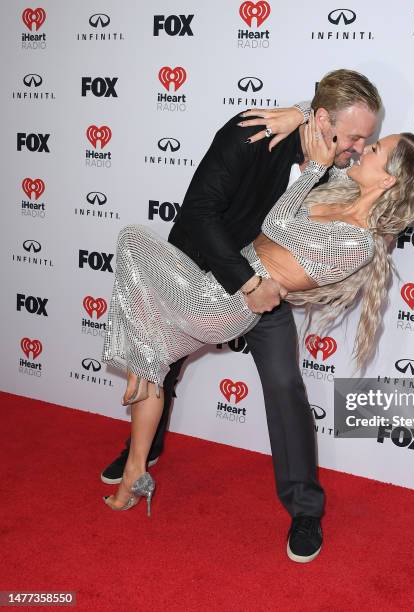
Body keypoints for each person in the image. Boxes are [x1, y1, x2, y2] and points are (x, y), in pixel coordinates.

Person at [100, 69, 386, 564]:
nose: (360, 148)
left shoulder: (335, 163)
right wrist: (245, 283)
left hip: (267, 291)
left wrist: (301, 111)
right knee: (164, 363)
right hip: (204, 271)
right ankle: (143, 453)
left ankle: (305, 510)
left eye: (369, 140)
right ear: (323, 121)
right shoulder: (250, 134)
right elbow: (198, 214)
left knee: (284, 385)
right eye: (356, 137)